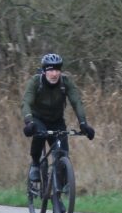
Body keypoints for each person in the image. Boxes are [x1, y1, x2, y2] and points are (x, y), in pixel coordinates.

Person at [22, 53, 95, 184]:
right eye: (51, 70)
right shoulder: (36, 82)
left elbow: (77, 102)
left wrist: (83, 123)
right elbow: (26, 102)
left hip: (57, 121)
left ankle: (60, 187)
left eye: (57, 70)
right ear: (44, 71)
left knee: (62, 154)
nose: (54, 74)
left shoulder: (65, 82)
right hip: (38, 119)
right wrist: (29, 122)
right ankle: (35, 165)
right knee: (39, 135)